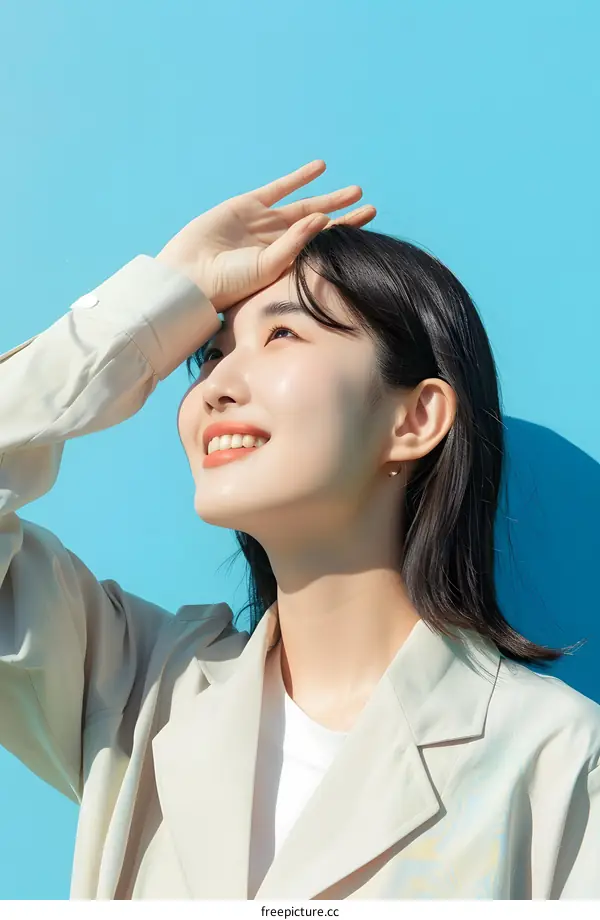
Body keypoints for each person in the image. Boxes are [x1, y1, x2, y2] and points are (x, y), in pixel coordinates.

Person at [0, 160, 598, 901]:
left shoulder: (561, 763)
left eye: (282, 334)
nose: (216, 385)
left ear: (416, 418)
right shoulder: (136, 692)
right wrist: (154, 305)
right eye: (211, 355)